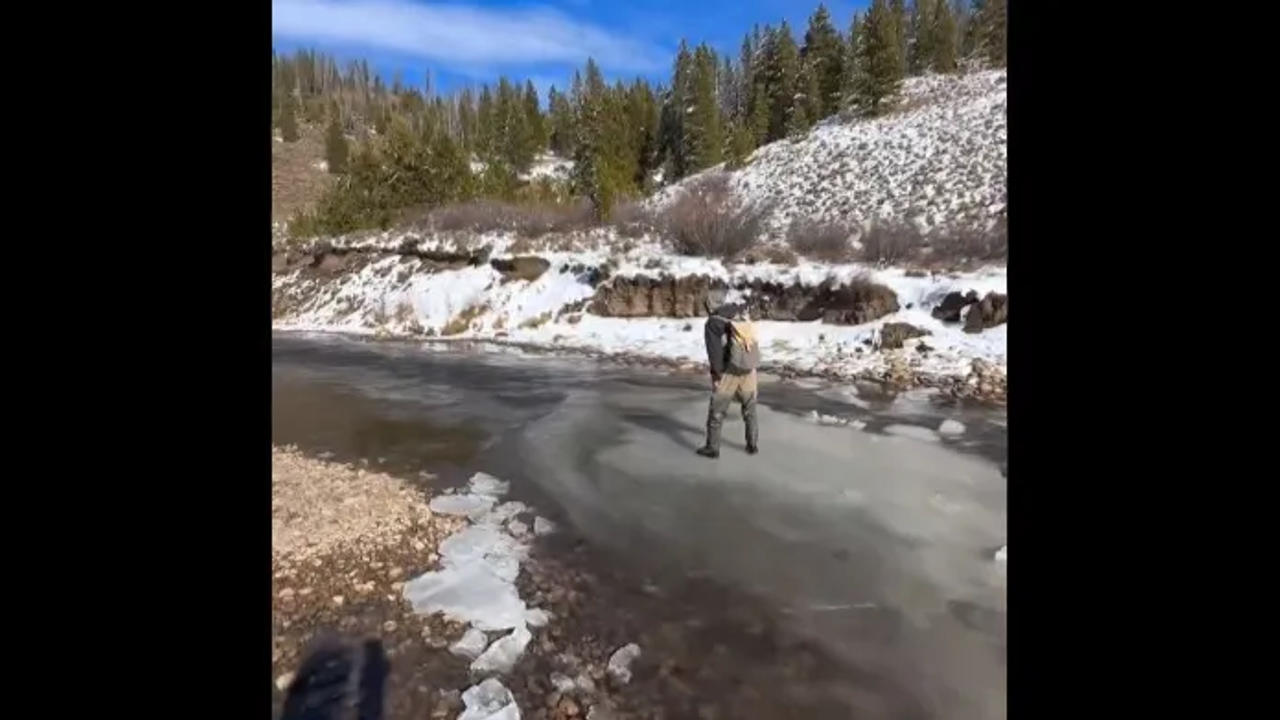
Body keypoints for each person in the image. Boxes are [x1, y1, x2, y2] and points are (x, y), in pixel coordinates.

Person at [697, 297, 760, 458]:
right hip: (749, 369)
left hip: (729, 371)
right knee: (750, 408)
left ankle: (712, 448)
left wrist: (716, 375)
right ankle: (752, 444)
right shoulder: (740, 314)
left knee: (717, 411)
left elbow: (715, 351)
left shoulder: (713, 323)